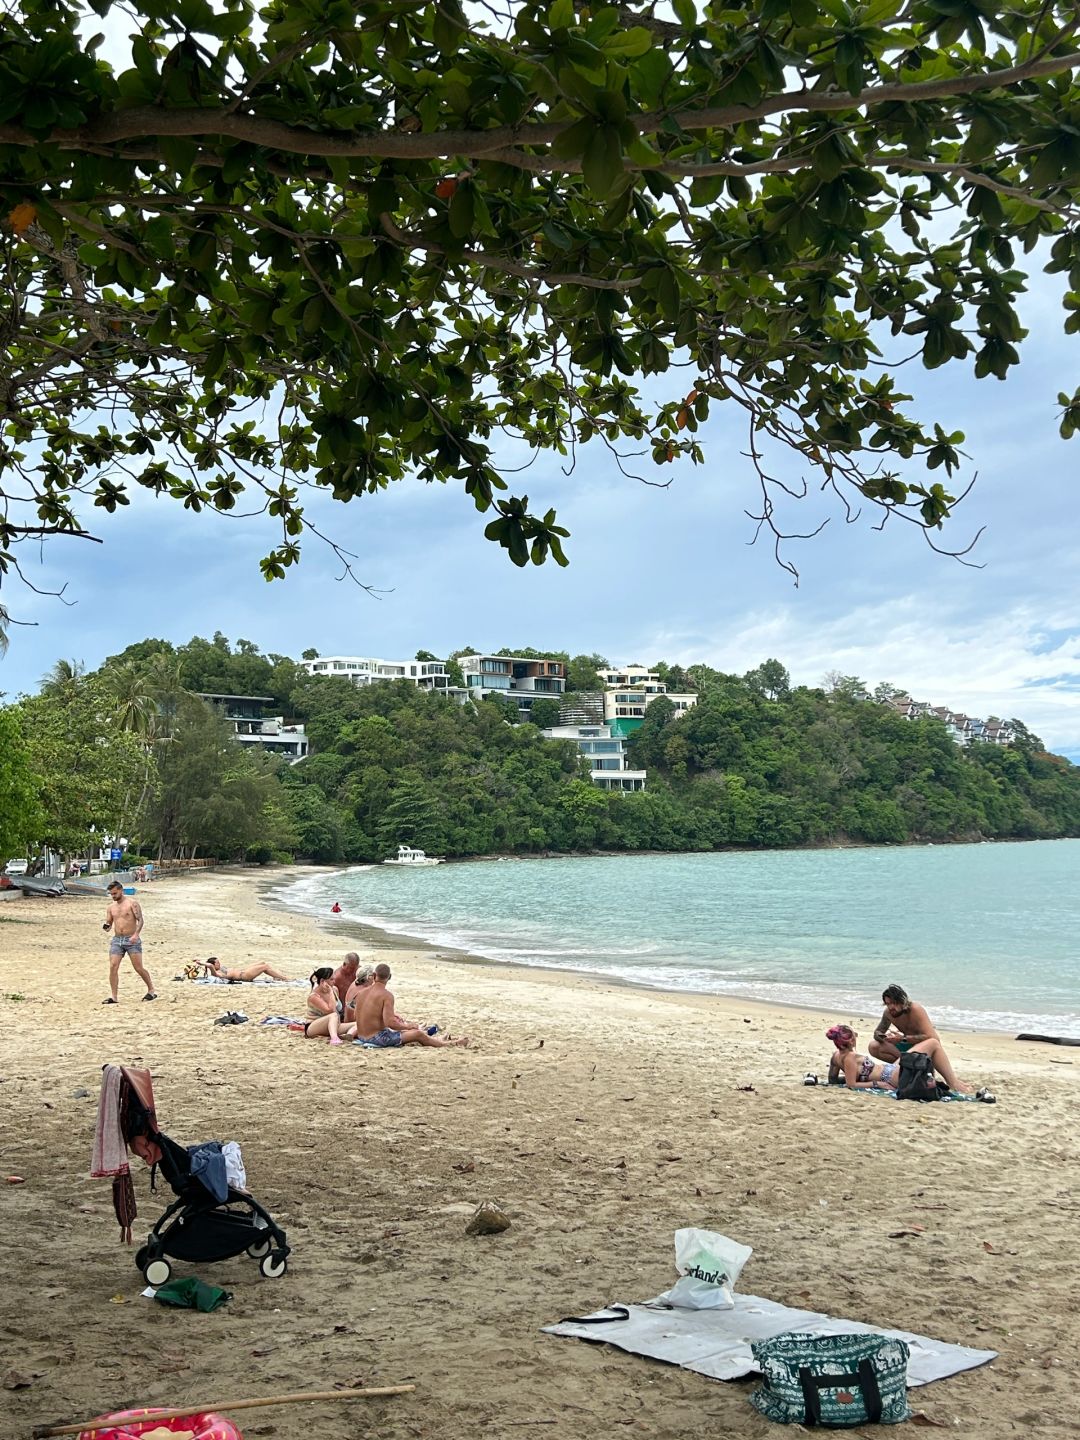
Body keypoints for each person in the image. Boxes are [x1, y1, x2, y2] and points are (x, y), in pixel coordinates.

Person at [826, 1023, 969, 1093]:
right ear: (850, 1041)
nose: (856, 1037)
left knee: (930, 1046)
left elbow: (832, 1079)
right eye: (854, 1035)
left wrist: (857, 1077)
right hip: (890, 1077)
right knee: (932, 1043)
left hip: (890, 1070)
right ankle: (953, 1082)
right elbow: (852, 1085)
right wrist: (877, 1084)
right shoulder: (850, 1057)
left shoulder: (836, 1056)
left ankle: (949, 1081)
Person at [353, 963, 469, 1049]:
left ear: (374, 975)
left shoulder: (362, 993)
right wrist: (408, 1026)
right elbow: (390, 1023)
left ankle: (436, 1039)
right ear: (389, 977)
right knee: (417, 1033)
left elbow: (357, 1014)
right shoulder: (386, 995)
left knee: (405, 1032)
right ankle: (447, 1044)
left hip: (362, 1035)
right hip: (376, 1038)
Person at [102, 880, 156, 1003]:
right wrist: (107, 926)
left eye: (115, 893)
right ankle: (114, 996)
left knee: (138, 967)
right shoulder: (111, 907)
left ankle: (151, 990)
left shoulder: (132, 904)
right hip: (117, 940)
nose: (113, 896)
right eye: (111, 894)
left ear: (121, 890)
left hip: (131, 939)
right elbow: (109, 922)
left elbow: (140, 920)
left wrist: (136, 934)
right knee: (113, 966)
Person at [869, 985, 939, 1062]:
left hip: (926, 1047)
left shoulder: (915, 1009)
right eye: (888, 1004)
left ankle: (910, 1064)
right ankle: (906, 1064)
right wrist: (883, 1037)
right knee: (873, 1046)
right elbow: (877, 1033)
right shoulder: (888, 1013)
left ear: (902, 1001)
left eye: (894, 1003)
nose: (891, 1007)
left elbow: (931, 1037)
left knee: (931, 1043)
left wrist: (902, 1039)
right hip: (906, 1045)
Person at [304, 966, 350, 1045]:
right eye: (331, 979)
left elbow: (338, 1009)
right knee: (333, 1015)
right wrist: (330, 993)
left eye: (334, 979)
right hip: (313, 1026)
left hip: (333, 1025)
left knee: (357, 1024)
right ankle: (334, 1038)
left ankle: (348, 1035)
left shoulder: (335, 989)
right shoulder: (314, 996)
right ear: (322, 981)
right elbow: (330, 1010)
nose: (334, 981)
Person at [198, 956, 291, 983]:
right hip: (244, 976)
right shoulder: (217, 973)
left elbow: (208, 965)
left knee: (262, 962)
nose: (220, 963)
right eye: (217, 963)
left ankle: (276, 976)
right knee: (265, 967)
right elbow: (209, 966)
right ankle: (284, 978)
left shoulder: (220, 969)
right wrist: (201, 963)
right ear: (213, 965)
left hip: (244, 971)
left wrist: (201, 962)